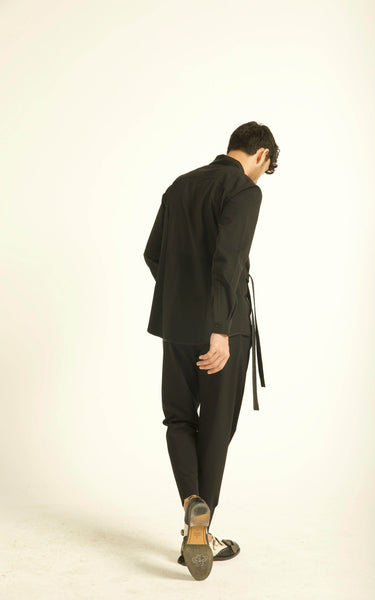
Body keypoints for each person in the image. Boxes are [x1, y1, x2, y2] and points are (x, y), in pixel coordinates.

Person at [143, 121, 279, 577]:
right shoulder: (244, 190)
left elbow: (153, 253)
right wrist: (219, 329)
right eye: (265, 168)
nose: (261, 176)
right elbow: (229, 261)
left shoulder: (180, 186)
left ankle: (191, 504)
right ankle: (199, 531)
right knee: (216, 428)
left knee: (179, 419)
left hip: (177, 327)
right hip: (224, 331)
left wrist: (183, 298)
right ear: (260, 154)